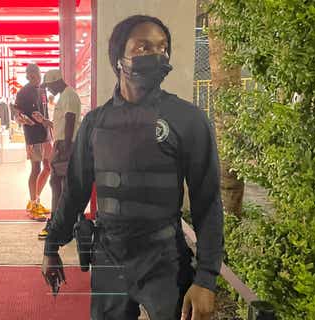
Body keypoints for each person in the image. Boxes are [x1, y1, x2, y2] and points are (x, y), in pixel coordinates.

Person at [41, 15, 223, 320]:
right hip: (108, 257)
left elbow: (208, 202)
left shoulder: (187, 120)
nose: (156, 55)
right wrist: (52, 245)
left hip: (165, 261)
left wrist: (206, 278)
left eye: (162, 48)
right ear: (119, 58)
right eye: (143, 47)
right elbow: (74, 191)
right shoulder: (94, 124)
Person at [32, 70, 82, 240]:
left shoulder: (69, 96)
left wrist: (66, 147)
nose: (48, 90)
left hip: (65, 145)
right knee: (59, 184)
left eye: (49, 87)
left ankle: (56, 224)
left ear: (56, 82)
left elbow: (70, 121)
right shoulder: (66, 96)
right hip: (62, 144)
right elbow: (62, 124)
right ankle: (60, 222)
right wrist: (45, 122)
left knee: (58, 183)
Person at [13, 63, 52, 220]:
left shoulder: (42, 89)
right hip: (33, 135)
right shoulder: (23, 92)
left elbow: (45, 110)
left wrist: (48, 124)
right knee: (35, 168)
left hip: (45, 134)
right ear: (27, 76)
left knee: (48, 167)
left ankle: (35, 199)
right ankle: (33, 203)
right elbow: (16, 112)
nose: (34, 77)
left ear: (39, 73)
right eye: (31, 75)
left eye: (36, 74)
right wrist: (21, 118)